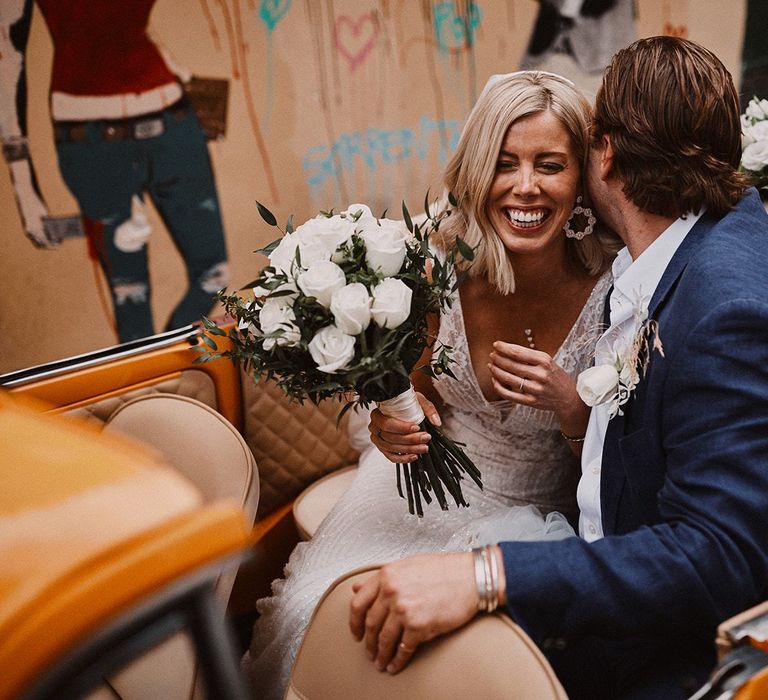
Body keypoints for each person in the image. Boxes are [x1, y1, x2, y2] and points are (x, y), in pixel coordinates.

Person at [351, 36, 768, 699]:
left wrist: (487, 576)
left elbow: (723, 555)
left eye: (554, 161)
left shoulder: (721, 304)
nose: (527, 185)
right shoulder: (684, 251)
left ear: (599, 155)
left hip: (669, 650)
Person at [242, 70, 619, 697]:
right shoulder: (436, 264)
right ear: (478, 172)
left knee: (449, 667)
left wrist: (572, 410)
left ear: (581, 177)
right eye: (505, 164)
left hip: (533, 508)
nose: (526, 187)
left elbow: (616, 476)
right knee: (316, 609)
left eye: (549, 165)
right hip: (411, 486)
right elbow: (414, 388)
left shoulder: (615, 288)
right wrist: (394, 417)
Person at [0, 0, 229, 343]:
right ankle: (152, 388)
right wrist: (24, 188)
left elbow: (125, 27)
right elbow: (8, 55)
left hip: (173, 120)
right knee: (130, 293)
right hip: (92, 140)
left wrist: (183, 77)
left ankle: (165, 371)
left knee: (214, 275)